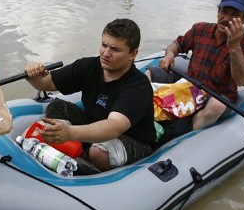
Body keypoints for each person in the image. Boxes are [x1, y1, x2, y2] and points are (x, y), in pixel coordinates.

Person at [24, 19, 155, 173]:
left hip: (132, 139)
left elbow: (114, 126)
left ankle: (87, 171)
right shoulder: (89, 66)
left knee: (98, 152)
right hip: (94, 122)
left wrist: (70, 132)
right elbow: (47, 83)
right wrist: (33, 76)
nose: (106, 53)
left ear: (132, 54)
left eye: (115, 49)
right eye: (104, 45)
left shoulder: (138, 87)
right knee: (57, 106)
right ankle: (69, 148)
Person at [146, 0, 244, 136]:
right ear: (218, 11)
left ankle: (183, 137)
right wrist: (169, 55)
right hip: (188, 84)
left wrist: (234, 47)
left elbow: (241, 80)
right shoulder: (200, 29)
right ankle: (143, 110)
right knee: (150, 72)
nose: (226, 18)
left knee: (217, 106)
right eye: (224, 11)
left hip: (216, 95)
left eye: (234, 15)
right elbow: (177, 44)